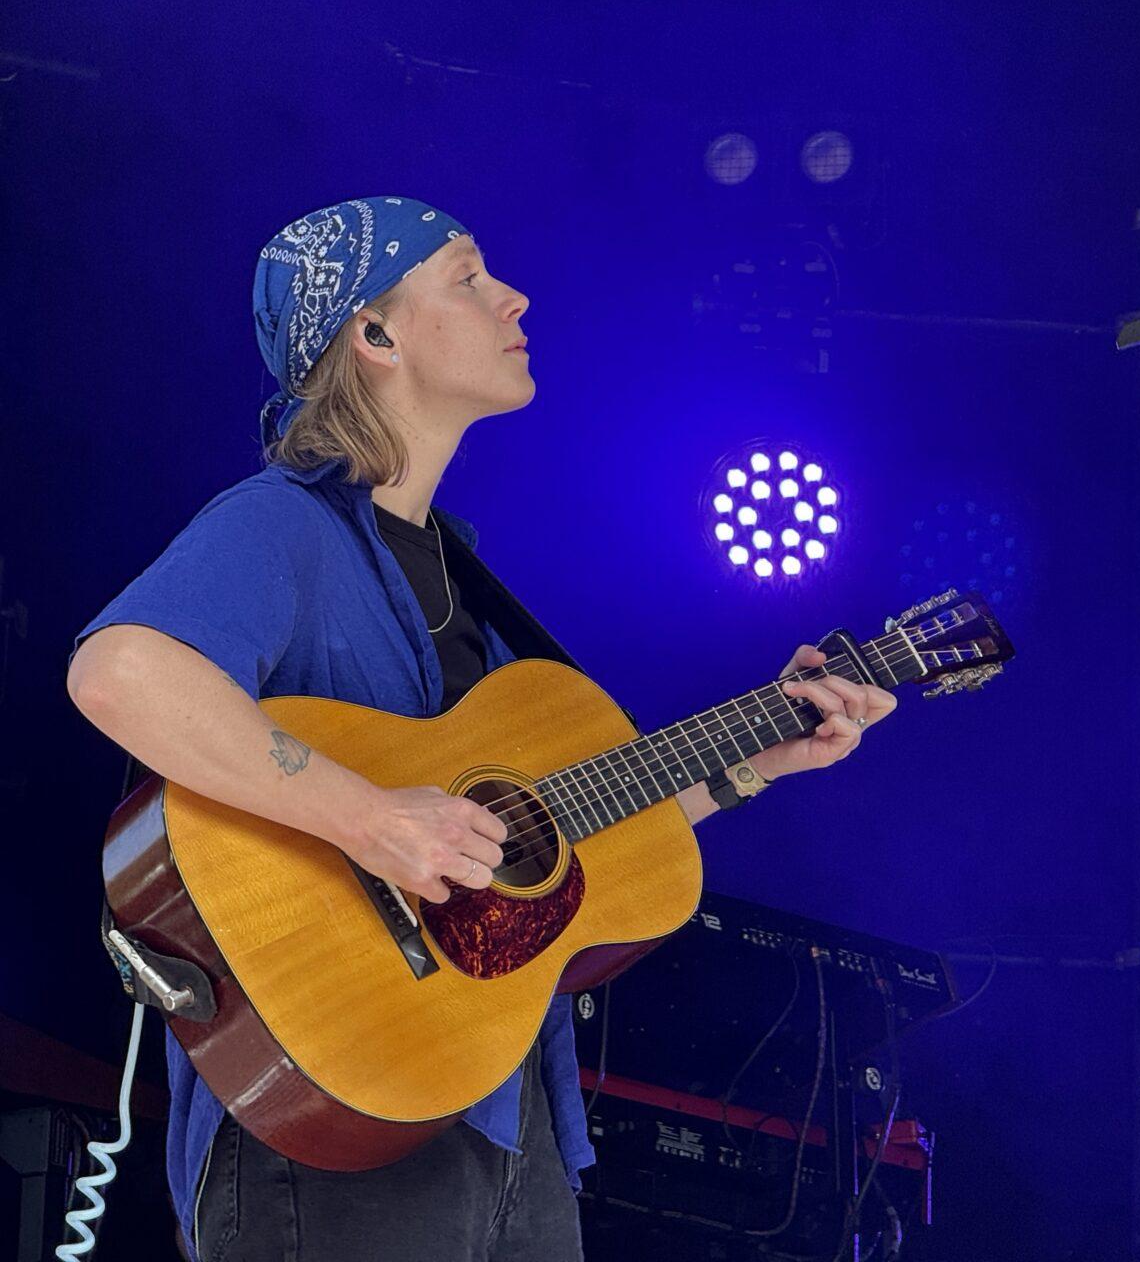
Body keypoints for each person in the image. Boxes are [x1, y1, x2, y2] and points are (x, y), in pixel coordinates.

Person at [64, 196, 899, 1262]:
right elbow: (121, 671)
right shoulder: (280, 525)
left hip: (501, 1108)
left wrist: (756, 761)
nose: (516, 297)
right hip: (330, 1107)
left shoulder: (461, 576)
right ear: (373, 336)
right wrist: (369, 818)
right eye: (467, 276)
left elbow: (550, 833)